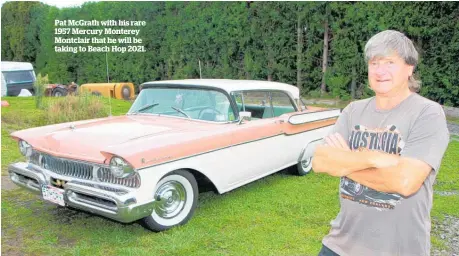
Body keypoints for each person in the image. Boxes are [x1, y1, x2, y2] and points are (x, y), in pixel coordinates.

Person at [313, 30, 450, 256]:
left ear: (409, 68)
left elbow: (405, 182)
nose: (380, 71)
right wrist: (372, 158)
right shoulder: (353, 110)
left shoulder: (427, 113)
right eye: (374, 62)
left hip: (399, 249)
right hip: (340, 245)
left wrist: (345, 162)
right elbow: (320, 161)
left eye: (389, 62)